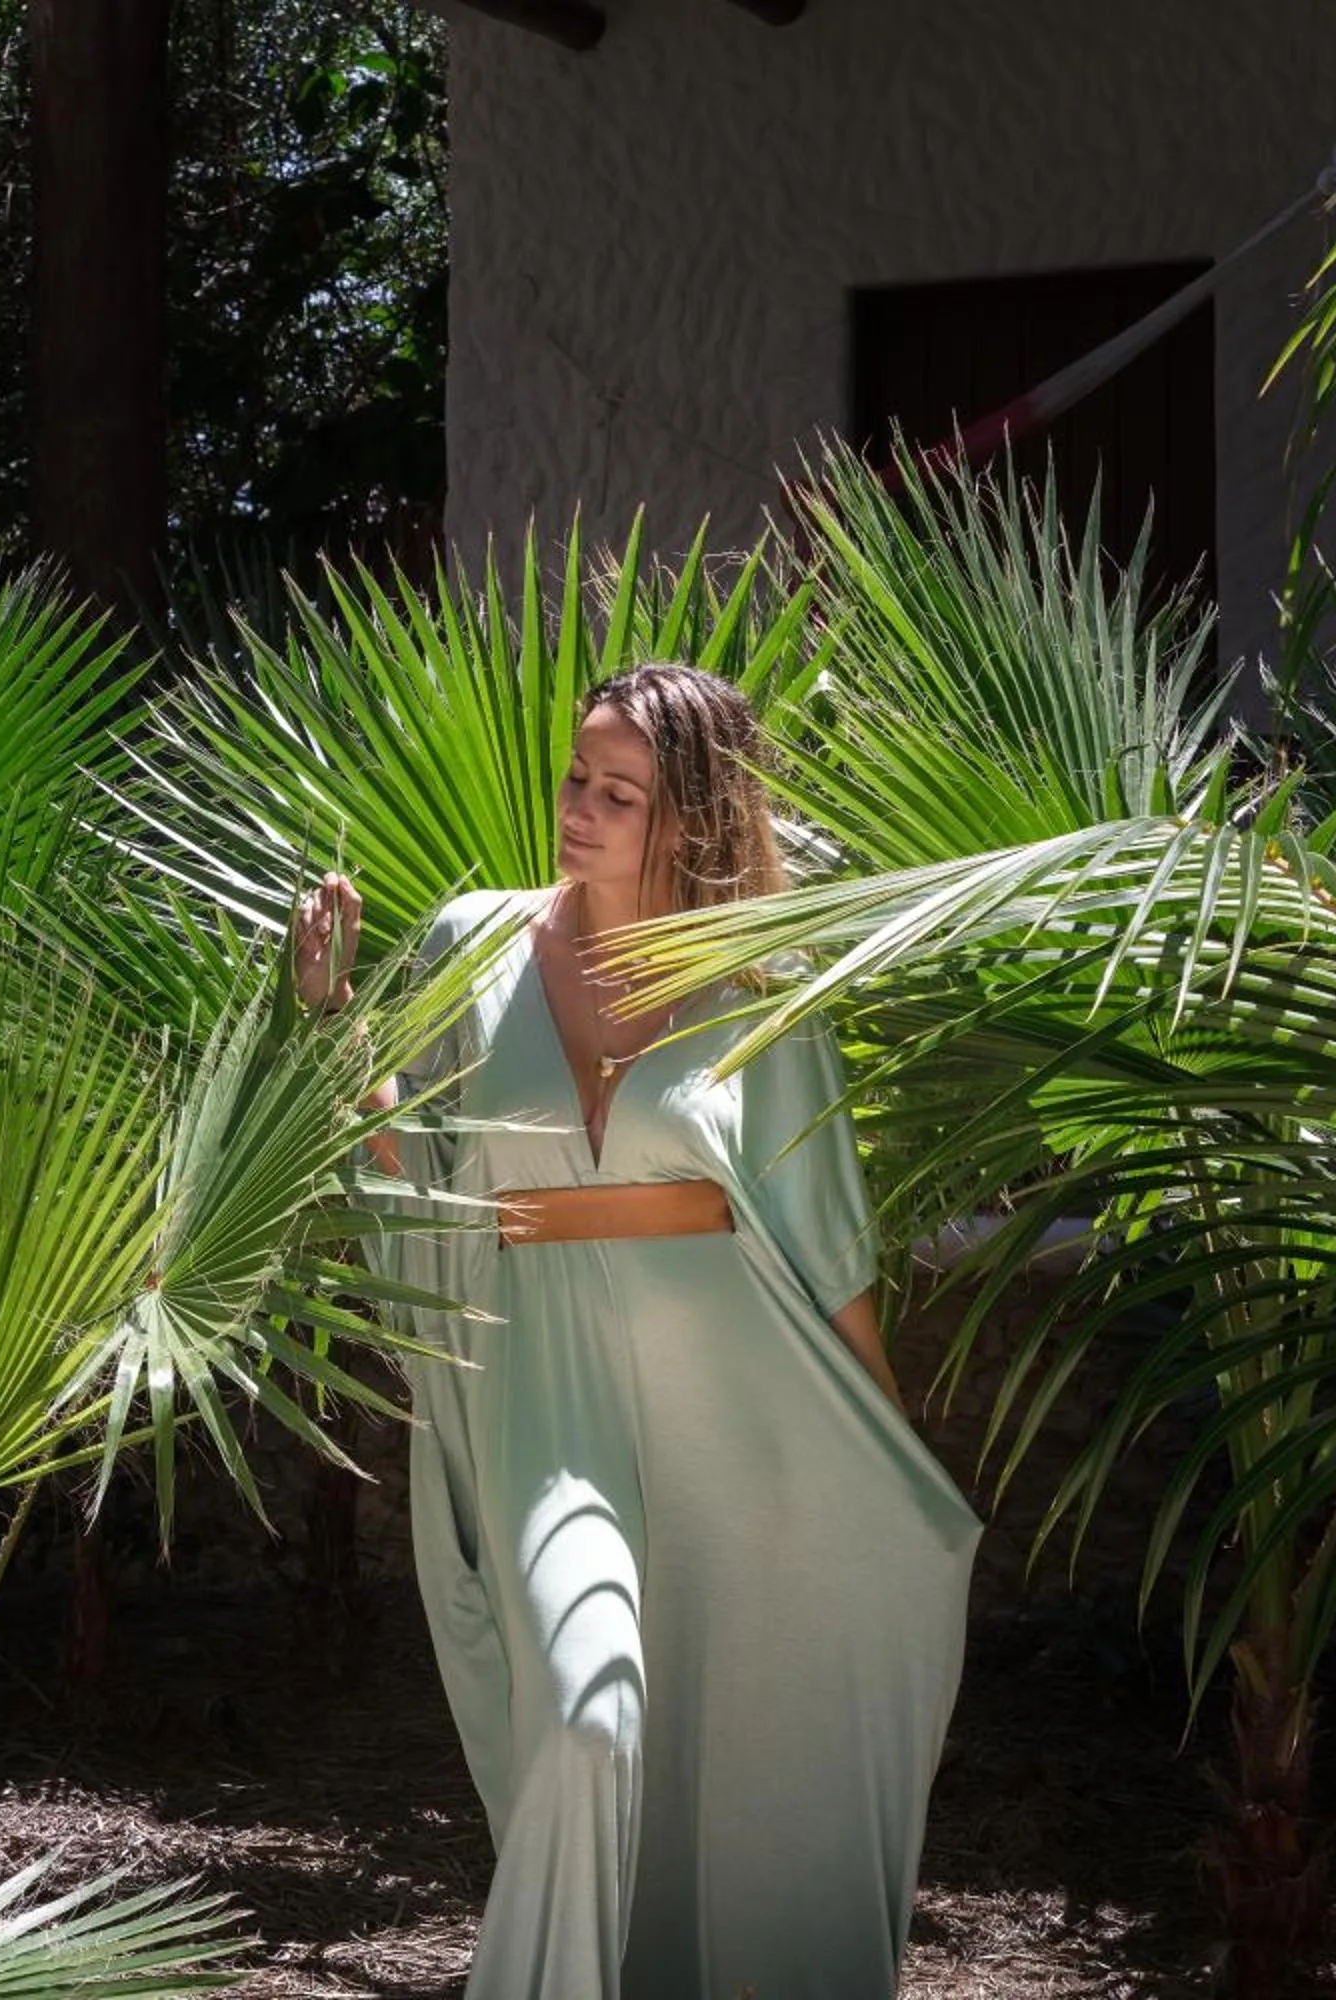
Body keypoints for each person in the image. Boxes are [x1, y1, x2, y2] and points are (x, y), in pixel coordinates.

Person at [294, 661, 982, 2000]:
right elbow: (416, 1162)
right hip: (546, 1392)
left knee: (743, 1756)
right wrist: (331, 1031)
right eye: (577, 778)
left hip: (745, 1408)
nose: (582, 809)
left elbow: (831, 1248)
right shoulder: (473, 943)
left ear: (693, 820)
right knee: (592, 1715)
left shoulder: (757, 985)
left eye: (622, 792)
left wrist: (894, 1471)